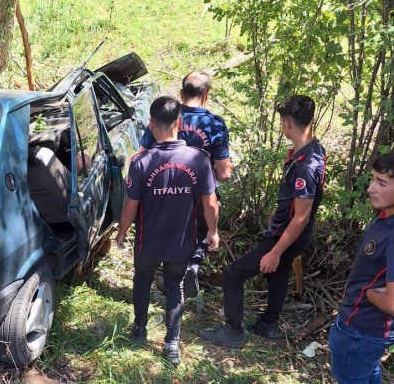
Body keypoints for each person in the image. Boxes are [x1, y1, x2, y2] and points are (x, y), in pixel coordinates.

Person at [198, 95, 326, 348]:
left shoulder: (307, 166)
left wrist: (276, 251)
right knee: (278, 273)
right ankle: (268, 324)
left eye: (282, 122)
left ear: (287, 123)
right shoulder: (312, 150)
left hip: (286, 236)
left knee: (234, 275)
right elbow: (297, 206)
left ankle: (233, 331)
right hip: (290, 231)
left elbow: (301, 217)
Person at [116, 96, 220, 365]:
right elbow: (211, 203)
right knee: (174, 287)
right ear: (180, 122)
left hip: (147, 241)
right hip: (181, 242)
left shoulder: (141, 162)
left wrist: (121, 232)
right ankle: (171, 344)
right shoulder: (198, 159)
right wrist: (213, 231)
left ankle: (139, 331)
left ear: (151, 124)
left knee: (142, 281)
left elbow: (130, 205)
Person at [133, 70, 233, 298]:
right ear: (206, 95)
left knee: (164, 230)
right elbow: (225, 174)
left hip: (161, 191)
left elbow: (140, 154)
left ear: (181, 92)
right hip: (198, 195)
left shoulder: (165, 116)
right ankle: (192, 265)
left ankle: (162, 276)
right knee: (201, 230)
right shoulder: (215, 125)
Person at [328, 151, 394, 384]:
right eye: (373, 179)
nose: (370, 188)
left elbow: (391, 302)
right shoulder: (385, 215)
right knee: (367, 373)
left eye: (382, 182)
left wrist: (369, 293)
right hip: (363, 330)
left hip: (361, 331)